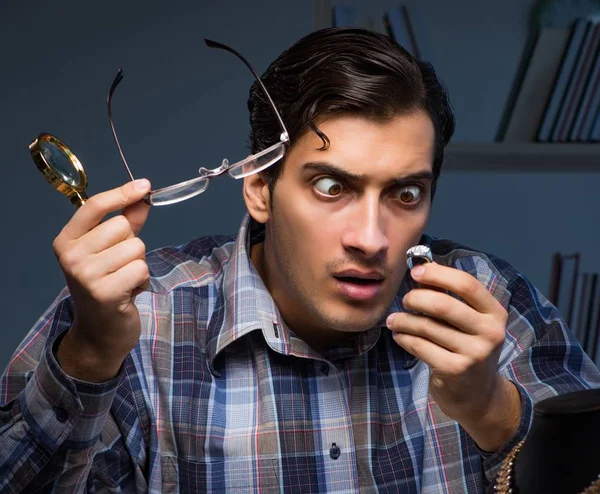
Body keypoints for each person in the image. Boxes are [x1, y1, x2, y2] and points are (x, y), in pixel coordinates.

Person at [1, 27, 599, 493]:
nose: (371, 238)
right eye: (331, 187)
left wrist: (492, 409)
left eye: (405, 193)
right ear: (259, 188)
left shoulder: (487, 299)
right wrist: (88, 357)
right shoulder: (132, 318)